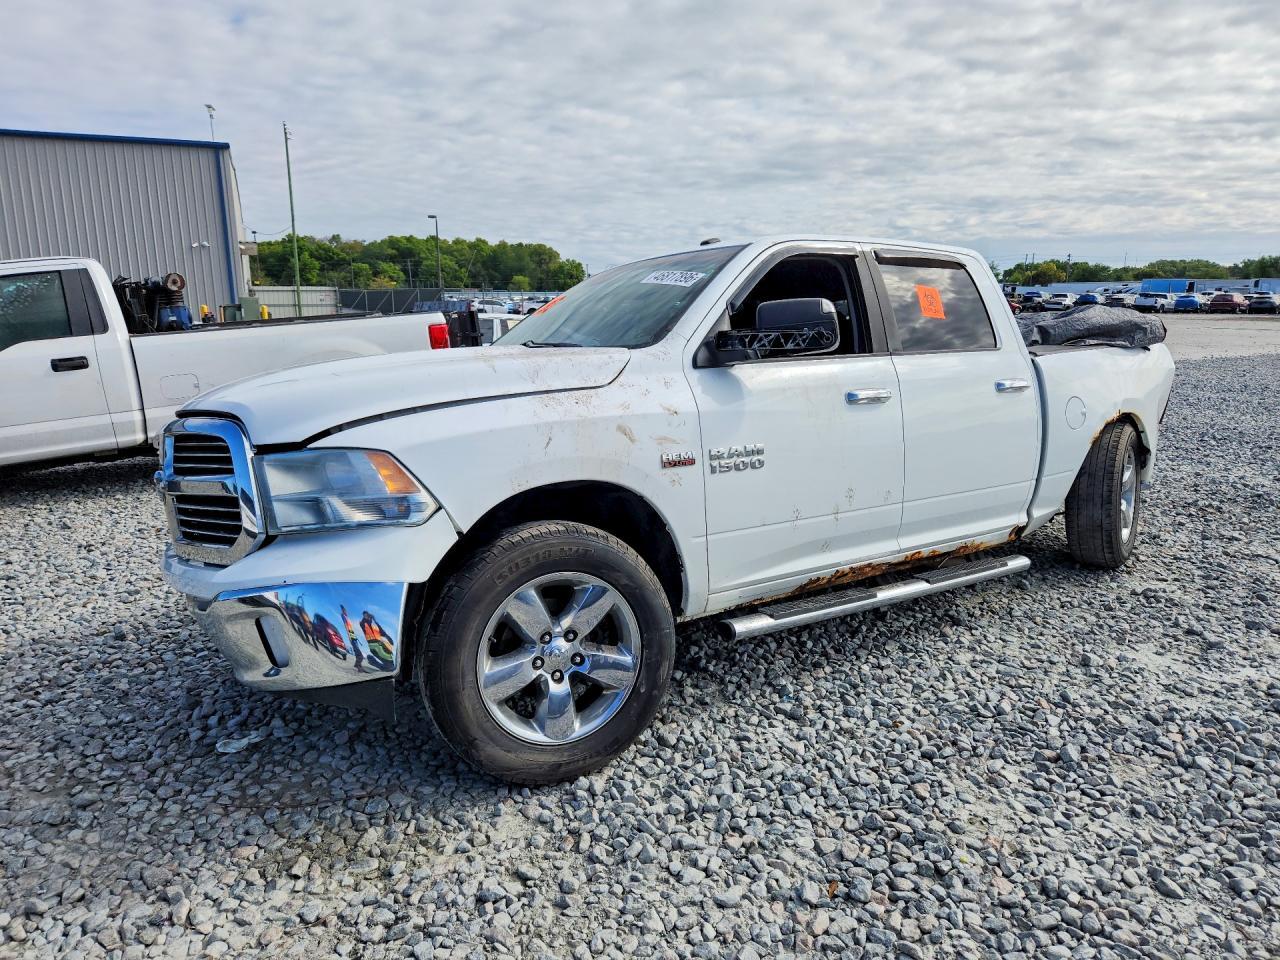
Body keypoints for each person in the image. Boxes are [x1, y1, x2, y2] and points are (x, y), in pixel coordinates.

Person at [341, 605, 367, 673]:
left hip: (355, 638)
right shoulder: (344, 617)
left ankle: (358, 667)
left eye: (346, 611)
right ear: (343, 611)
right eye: (345, 611)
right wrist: (349, 636)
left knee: (357, 654)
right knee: (360, 655)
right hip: (352, 638)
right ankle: (358, 666)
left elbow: (351, 628)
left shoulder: (348, 618)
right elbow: (345, 624)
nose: (346, 612)